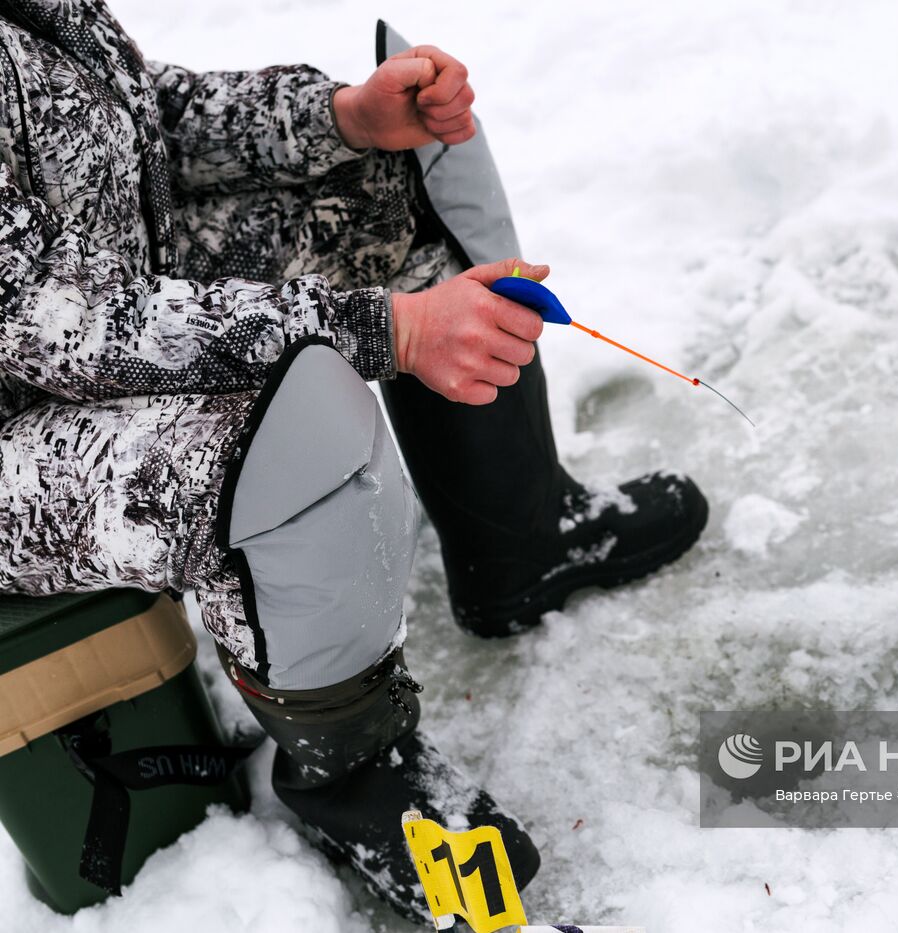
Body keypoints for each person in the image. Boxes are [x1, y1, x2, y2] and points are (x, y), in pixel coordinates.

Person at [0, 0, 708, 919]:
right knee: (284, 434)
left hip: (102, 302)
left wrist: (340, 119)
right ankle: (352, 775)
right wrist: (384, 330)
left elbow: (146, 116)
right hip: (24, 417)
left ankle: (521, 545)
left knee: (389, 192)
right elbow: (53, 326)